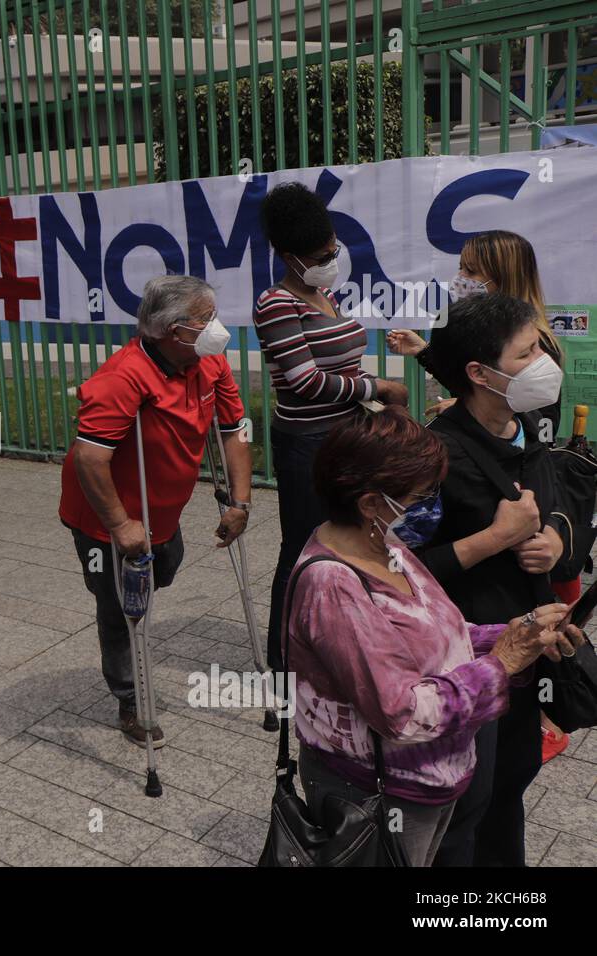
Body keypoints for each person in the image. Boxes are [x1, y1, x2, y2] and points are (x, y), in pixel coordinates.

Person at [286, 406, 580, 866]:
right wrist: (499, 663)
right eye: (421, 495)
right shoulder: (333, 585)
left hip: (438, 776)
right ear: (369, 504)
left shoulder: (386, 545)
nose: (431, 506)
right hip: (383, 787)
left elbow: (439, 629)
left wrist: (518, 633)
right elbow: (403, 715)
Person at [59, 274, 252, 746]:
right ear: (173, 332)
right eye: (205, 319)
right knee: (121, 604)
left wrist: (240, 501)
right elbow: (90, 456)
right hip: (105, 517)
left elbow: (235, 428)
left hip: (162, 511)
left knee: (161, 570)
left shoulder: (209, 362)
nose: (216, 327)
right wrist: (120, 525)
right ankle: (130, 699)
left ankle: (137, 591)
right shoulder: (123, 377)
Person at [413, 293, 571, 866]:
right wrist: (493, 540)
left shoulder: (527, 426)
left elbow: (554, 507)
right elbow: (390, 574)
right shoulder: (435, 455)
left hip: (529, 650)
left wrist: (554, 537)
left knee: (511, 782)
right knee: (465, 803)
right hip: (467, 661)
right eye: (528, 352)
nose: (544, 363)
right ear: (479, 373)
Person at [253, 182, 409, 673]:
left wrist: (368, 395)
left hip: (345, 436)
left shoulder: (323, 294)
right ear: (288, 256)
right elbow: (304, 381)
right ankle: (282, 660)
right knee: (301, 548)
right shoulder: (276, 303)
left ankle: (335, 639)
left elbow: (339, 365)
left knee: (349, 539)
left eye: (333, 249)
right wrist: (376, 389)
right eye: (320, 254)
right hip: (307, 443)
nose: (330, 258)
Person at [386, 230, 561, 436]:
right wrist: (423, 351)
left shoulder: (535, 344)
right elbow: (472, 386)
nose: (460, 278)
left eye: (471, 271)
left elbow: (544, 423)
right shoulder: (482, 330)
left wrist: (476, 414)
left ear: (504, 277)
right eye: (461, 268)